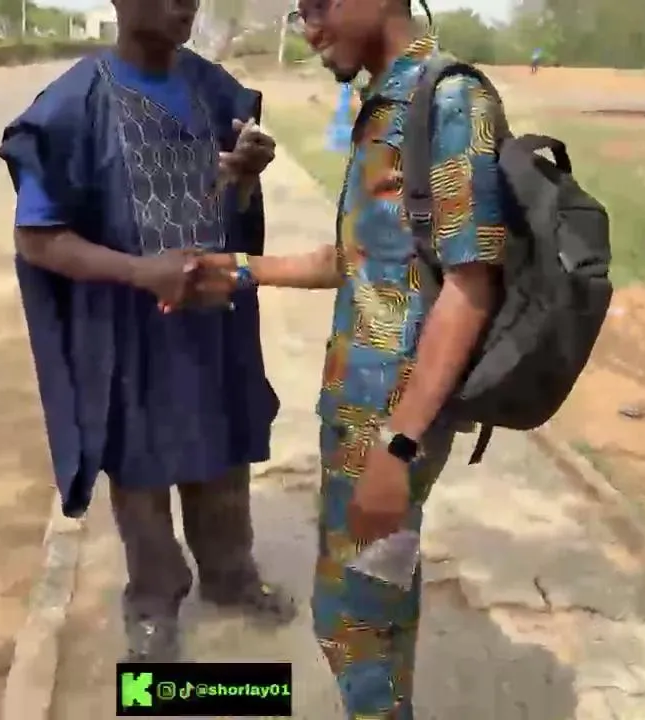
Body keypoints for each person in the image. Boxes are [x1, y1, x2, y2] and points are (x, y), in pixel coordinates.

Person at [193, 0, 508, 716]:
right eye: (299, 9)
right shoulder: (386, 101)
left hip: (394, 424)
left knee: (358, 623)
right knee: (366, 605)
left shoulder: (450, 99)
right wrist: (242, 269)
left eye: (320, 5)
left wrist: (399, 448)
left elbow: (471, 285)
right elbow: (361, 258)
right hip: (359, 413)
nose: (308, 27)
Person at [0, 0, 296, 662]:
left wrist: (246, 178)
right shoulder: (72, 107)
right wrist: (139, 271)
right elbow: (37, 238)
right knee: (139, 472)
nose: (182, 2)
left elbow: (230, 205)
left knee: (225, 453)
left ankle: (230, 575)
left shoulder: (215, 91)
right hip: (126, 333)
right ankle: (155, 600)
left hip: (214, 322)